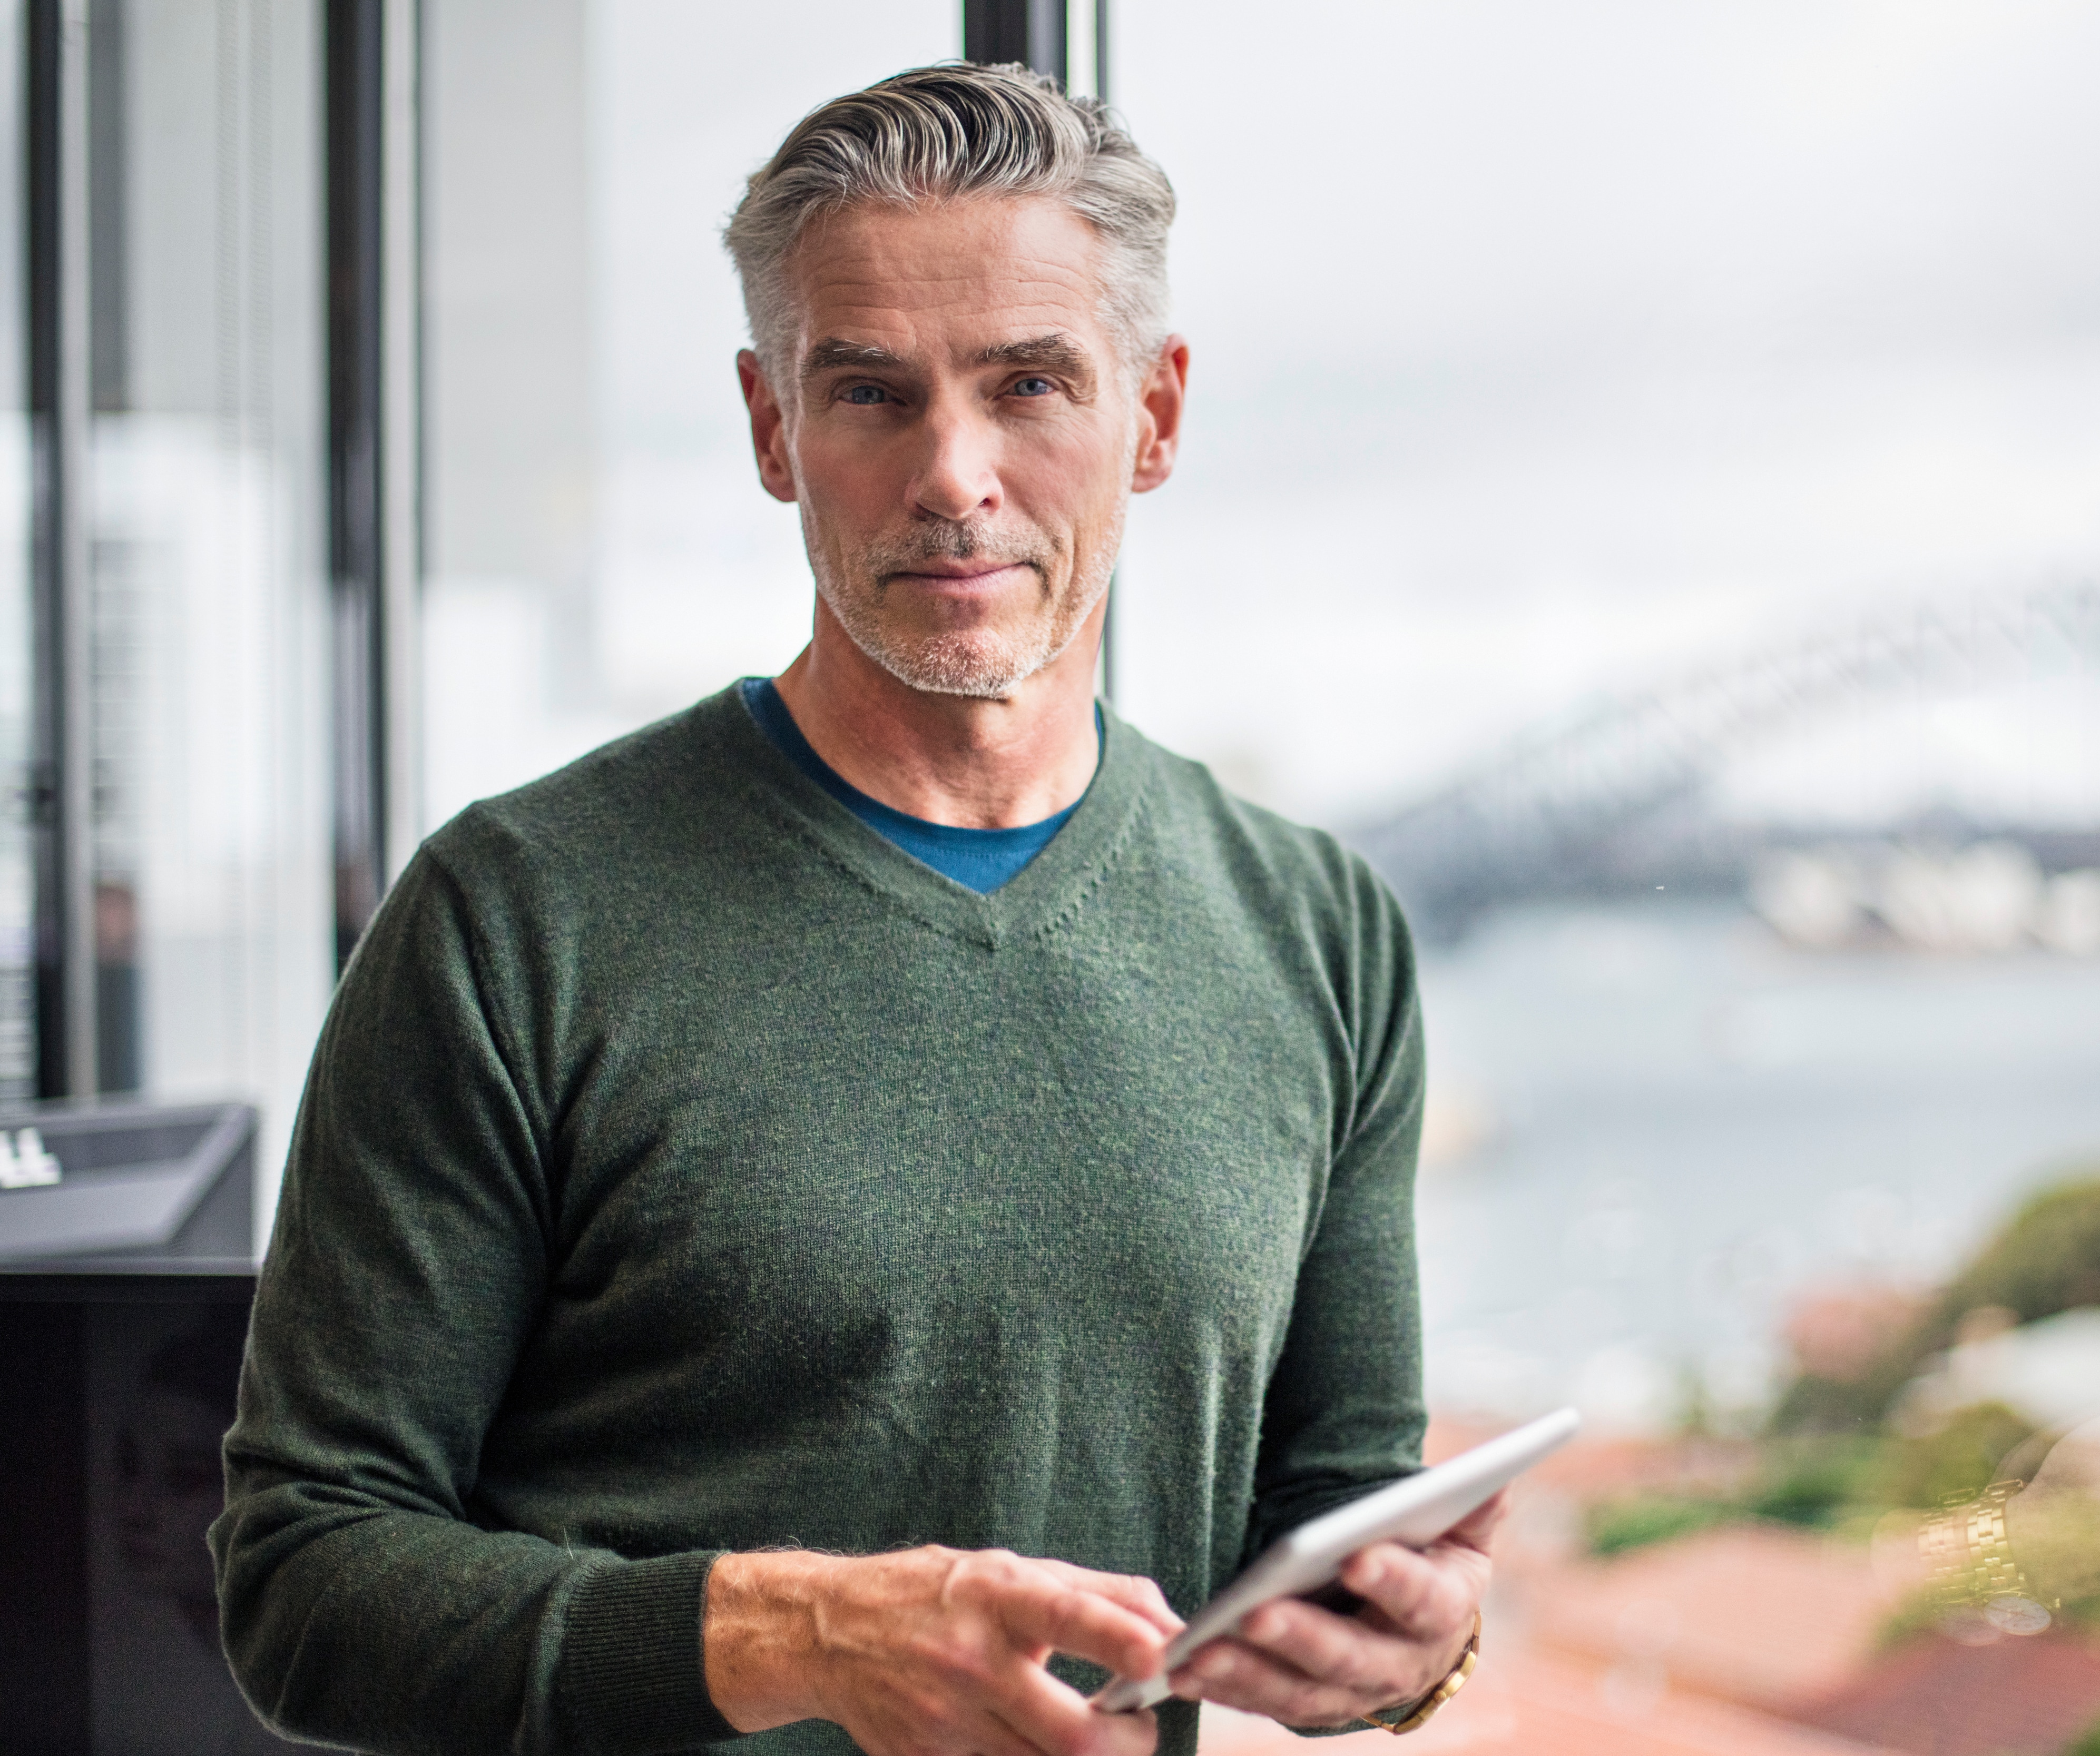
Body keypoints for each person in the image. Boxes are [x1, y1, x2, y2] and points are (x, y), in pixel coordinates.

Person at [215, 64, 1493, 1756]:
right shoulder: (512, 918)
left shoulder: (1321, 931)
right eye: (873, 393)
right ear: (771, 428)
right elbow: (301, 1582)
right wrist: (790, 1635)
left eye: (1031, 385)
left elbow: (1329, 1526)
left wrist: (1408, 1653)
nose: (954, 474)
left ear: (1157, 416)